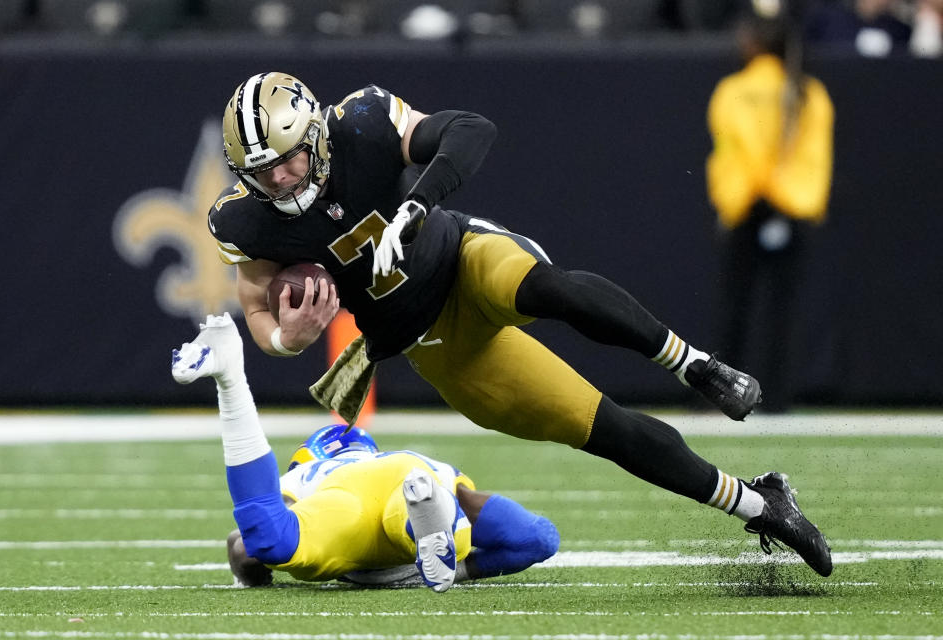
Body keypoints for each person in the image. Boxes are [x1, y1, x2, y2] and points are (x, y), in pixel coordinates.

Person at [206, 72, 832, 576]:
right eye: (260, 172)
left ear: (314, 133)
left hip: (461, 258)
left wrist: (418, 203)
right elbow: (259, 309)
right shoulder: (245, 221)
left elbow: (472, 130)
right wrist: (289, 341)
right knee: (602, 428)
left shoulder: (362, 124)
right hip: (434, 344)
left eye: (286, 161)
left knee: (548, 290)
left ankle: (695, 364)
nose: (279, 179)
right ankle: (761, 502)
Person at [171, 313, 560, 591]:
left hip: (345, 504)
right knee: (462, 523)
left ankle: (231, 380)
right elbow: (535, 539)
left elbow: (244, 548)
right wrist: (462, 571)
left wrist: (251, 575)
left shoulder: (307, 475)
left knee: (273, 540)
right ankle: (426, 522)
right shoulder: (381, 459)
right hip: (409, 467)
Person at [706, 0, 835, 413]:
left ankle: (720, 395)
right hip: (791, 210)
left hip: (745, 208)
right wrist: (789, 198)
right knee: (782, 311)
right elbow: (816, 159)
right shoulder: (810, 93)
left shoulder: (733, 91)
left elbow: (730, 152)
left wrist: (745, 196)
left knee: (734, 309)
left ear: (755, 43)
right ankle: (777, 399)